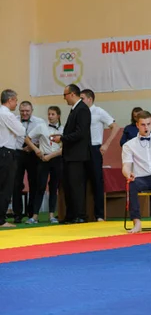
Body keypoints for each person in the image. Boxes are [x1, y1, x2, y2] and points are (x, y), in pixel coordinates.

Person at [50, 84, 92, 224]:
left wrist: (62, 138)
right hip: (70, 155)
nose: (64, 98)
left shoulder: (82, 110)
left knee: (76, 186)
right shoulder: (75, 110)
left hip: (77, 155)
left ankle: (80, 215)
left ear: (73, 94)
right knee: (68, 186)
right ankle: (71, 214)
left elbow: (80, 133)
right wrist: (62, 136)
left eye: (65, 95)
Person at [81, 89, 120, 221]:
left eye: (82, 99)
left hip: (94, 147)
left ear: (90, 99)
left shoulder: (99, 112)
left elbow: (115, 126)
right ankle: (82, 214)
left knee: (97, 181)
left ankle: (99, 214)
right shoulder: (78, 112)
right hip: (80, 149)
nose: (80, 101)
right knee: (80, 181)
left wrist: (106, 144)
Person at [23, 106, 64, 224]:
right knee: (40, 186)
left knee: (54, 186)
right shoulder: (41, 126)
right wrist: (36, 150)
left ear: (58, 116)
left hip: (56, 158)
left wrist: (51, 156)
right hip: (42, 158)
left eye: (53, 114)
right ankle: (35, 216)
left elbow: (64, 148)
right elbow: (27, 139)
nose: (50, 116)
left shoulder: (63, 129)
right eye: (49, 114)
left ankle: (52, 215)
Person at [12, 101, 45, 223]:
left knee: (34, 183)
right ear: (19, 110)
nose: (24, 113)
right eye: (22, 111)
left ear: (32, 110)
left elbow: (44, 138)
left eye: (27, 111)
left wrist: (32, 146)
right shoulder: (13, 120)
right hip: (17, 153)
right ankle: (17, 214)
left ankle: (32, 213)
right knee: (16, 184)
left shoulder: (40, 122)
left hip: (33, 154)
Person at [0, 90, 26, 228]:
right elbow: (21, 131)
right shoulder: (6, 114)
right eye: (16, 100)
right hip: (6, 152)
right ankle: (1, 220)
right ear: (10, 100)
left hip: (2, 151)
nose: (16, 103)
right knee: (5, 187)